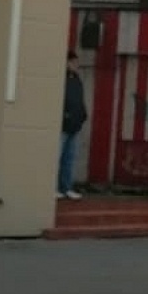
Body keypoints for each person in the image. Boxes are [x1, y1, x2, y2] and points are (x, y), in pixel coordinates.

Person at [59, 50, 88, 200]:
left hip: (75, 125)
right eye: (74, 62)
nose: (77, 65)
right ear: (66, 62)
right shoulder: (60, 78)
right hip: (62, 125)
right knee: (58, 157)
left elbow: (79, 100)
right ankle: (55, 187)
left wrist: (83, 115)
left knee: (69, 158)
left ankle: (66, 187)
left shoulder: (76, 79)